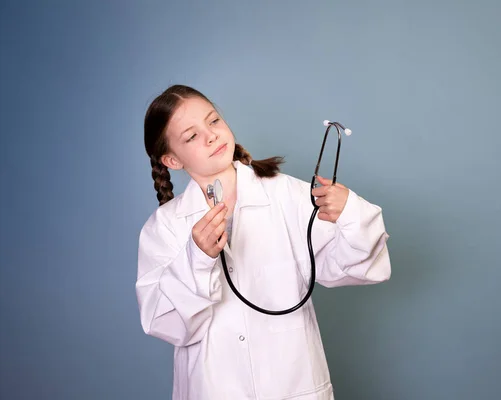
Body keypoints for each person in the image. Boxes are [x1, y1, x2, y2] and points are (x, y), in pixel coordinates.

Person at [136, 84, 391, 400]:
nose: (211, 136)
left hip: (294, 386)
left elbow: (358, 268)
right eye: (191, 136)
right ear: (172, 160)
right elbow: (167, 324)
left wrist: (350, 214)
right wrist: (197, 257)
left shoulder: (289, 195)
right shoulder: (164, 228)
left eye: (213, 121)